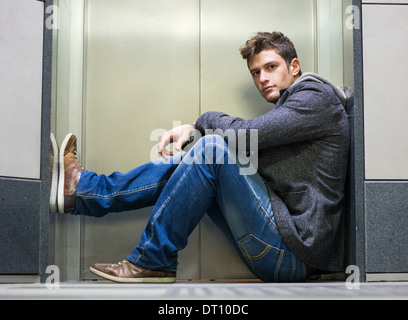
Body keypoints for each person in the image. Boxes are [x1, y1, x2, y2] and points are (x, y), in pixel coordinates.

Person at [50, 32, 350, 283]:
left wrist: (200, 123)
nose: (262, 79)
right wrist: (199, 133)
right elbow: (244, 144)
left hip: (294, 255)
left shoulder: (315, 98)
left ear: (294, 66)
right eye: (256, 72)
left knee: (211, 149)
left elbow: (247, 133)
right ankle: (82, 191)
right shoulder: (294, 110)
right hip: (277, 249)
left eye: (271, 67)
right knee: (206, 151)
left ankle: (152, 257)